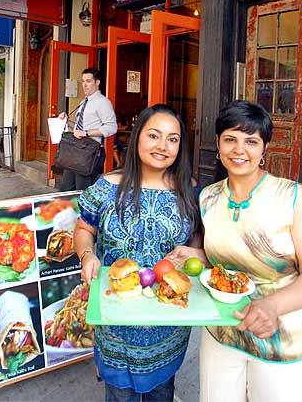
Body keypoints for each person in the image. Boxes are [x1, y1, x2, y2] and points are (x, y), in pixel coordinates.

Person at [167, 100, 302, 402]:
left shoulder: (292, 197)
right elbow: (225, 259)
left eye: (251, 141)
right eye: (230, 139)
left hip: (283, 336)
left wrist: (272, 306)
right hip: (224, 329)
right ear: (219, 144)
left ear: (264, 150)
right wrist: (195, 256)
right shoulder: (208, 198)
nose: (239, 150)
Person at [74, 104, 200, 401]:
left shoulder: (189, 190)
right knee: (120, 393)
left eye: (173, 139)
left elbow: (196, 237)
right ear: (138, 138)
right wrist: (87, 255)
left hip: (169, 322)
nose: (162, 146)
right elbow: (84, 229)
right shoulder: (107, 186)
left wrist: (194, 253)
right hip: (117, 318)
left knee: (162, 391)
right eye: (154, 135)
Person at [58, 68, 117, 191]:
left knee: (83, 190)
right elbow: (79, 127)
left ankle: (84, 211)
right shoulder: (84, 101)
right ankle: (68, 210)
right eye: (83, 81)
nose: (84, 85)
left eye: (88, 81)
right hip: (75, 150)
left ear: (97, 82)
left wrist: (87, 133)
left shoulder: (103, 102)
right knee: (65, 188)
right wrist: (65, 120)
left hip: (89, 152)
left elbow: (111, 127)